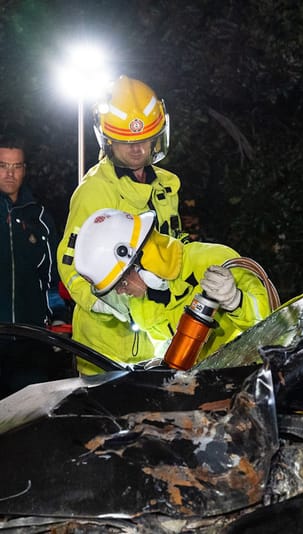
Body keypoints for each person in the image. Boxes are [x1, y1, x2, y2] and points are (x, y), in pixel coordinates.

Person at [57, 76, 185, 373]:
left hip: (159, 337)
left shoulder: (165, 188)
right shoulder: (95, 191)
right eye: (127, 141)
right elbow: (69, 260)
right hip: (107, 348)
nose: (137, 149)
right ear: (108, 140)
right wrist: (104, 300)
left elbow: (175, 247)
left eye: (144, 139)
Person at [72, 208, 273, 366]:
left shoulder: (212, 260)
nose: (121, 292)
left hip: (248, 373)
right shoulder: (140, 305)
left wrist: (236, 301)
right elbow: (162, 344)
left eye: (120, 282)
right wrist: (161, 361)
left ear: (142, 263)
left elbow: (272, 325)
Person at [0, 134, 67, 327]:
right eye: (3, 166)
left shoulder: (40, 217)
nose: (9, 174)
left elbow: (51, 277)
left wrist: (58, 317)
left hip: (32, 335)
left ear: (24, 170)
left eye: (16, 166)